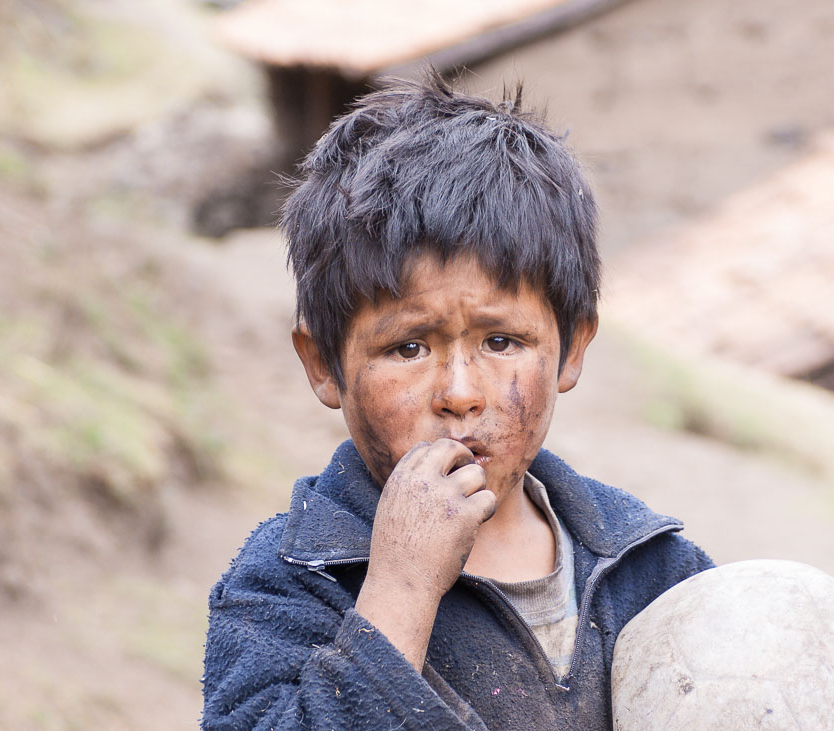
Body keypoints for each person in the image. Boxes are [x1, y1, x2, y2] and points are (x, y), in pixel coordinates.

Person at [201, 73, 714, 730]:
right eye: (409, 347)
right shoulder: (288, 583)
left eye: (501, 340)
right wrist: (398, 592)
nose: (461, 394)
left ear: (573, 348)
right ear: (325, 365)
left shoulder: (647, 563)